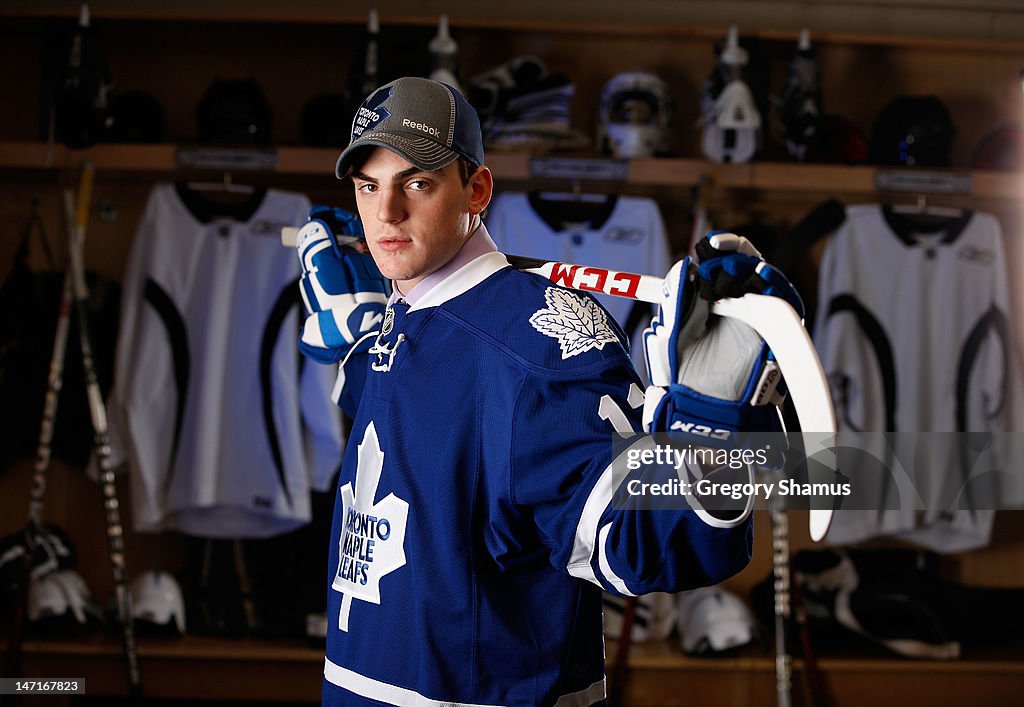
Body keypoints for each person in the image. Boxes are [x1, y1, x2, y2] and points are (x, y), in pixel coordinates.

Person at [295, 76, 801, 707]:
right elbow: (426, 440)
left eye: (417, 183)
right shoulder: (409, 315)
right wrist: (359, 342)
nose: (385, 212)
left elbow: (648, 545)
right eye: (369, 186)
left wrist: (714, 434)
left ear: (476, 189)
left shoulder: (538, 345)